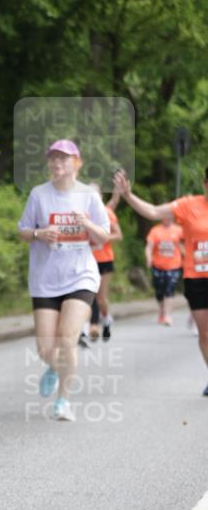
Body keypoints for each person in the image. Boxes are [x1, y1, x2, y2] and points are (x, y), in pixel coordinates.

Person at [18, 140, 110, 422]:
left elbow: (104, 236)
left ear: (76, 163)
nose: (57, 163)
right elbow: (22, 230)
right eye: (53, 159)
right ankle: (55, 367)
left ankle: (63, 400)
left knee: (67, 339)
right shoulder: (39, 194)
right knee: (46, 348)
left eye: (63, 159)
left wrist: (87, 224)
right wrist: (39, 234)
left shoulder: (88, 196)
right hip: (45, 278)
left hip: (81, 276)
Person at [115, 166, 208, 395]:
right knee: (205, 333)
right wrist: (128, 196)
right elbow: (154, 212)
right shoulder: (189, 205)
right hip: (196, 278)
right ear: (205, 184)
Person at [87, 185, 123, 342]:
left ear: (100, 196)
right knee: (90, 294)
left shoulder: (107, 213)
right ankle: (93, 326)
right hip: (87, 260)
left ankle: (106, 319)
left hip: (105, 260)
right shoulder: (83, 214)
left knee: (101, 298)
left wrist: (103, 236)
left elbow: (119, 235)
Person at [145, 217, 184, 325]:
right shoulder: (155, 230)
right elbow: (149, 247)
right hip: (158, 265)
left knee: (169, 289)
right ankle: (162, 311)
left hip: (174, 265)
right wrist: (149, 259)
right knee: (159, 291)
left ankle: (167, 315)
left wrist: (186, 257)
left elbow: (184, 246)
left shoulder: (179, 230)